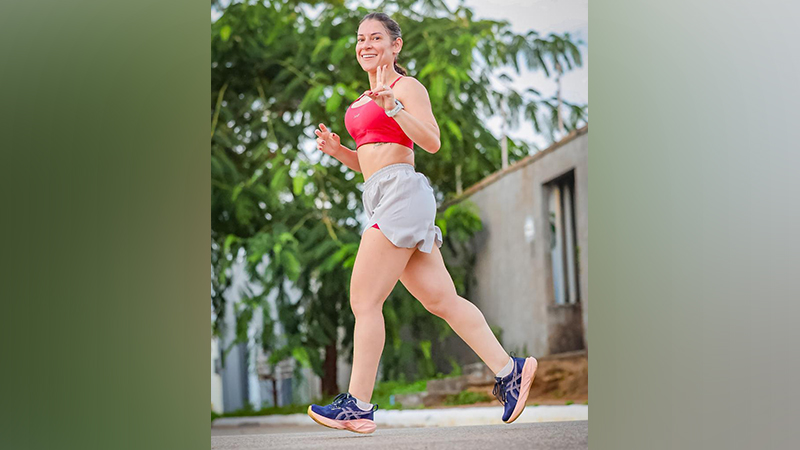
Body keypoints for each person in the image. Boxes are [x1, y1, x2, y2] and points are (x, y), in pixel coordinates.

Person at [307, 12, 537, 434]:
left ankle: (357, 403)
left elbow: (430, 141)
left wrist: (394, 107)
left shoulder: (404, 87)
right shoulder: (362, 97)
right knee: (441, 300)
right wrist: (339, 152)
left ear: (396, 45)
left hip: (401, 194)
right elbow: (372, 162)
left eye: (376, 37)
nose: (366, 45)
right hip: (380, 194)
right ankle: (510, 370)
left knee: (364, 299)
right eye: (360, 39)